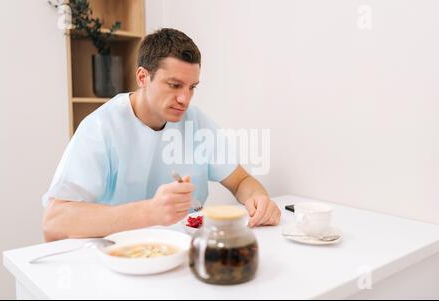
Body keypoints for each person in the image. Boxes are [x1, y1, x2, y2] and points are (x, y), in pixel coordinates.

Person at [42, 28, 280, 242]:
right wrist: (150, 212)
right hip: (120, 259)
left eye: (192, 87)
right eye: (174, 85)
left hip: (184, 256)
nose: (185, 99)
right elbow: (54, 223)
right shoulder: (101, 128)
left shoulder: (195, 122)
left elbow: (240, 181)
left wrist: (258, 199)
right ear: (143, 77)